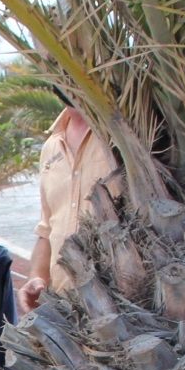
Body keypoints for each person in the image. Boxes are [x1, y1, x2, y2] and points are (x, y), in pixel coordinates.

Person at [15, 102, 119, 314]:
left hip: (120, 306)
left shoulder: (121, 135)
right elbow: (47, 229)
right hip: (65, 307)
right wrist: (37, 276)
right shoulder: (51, 146)